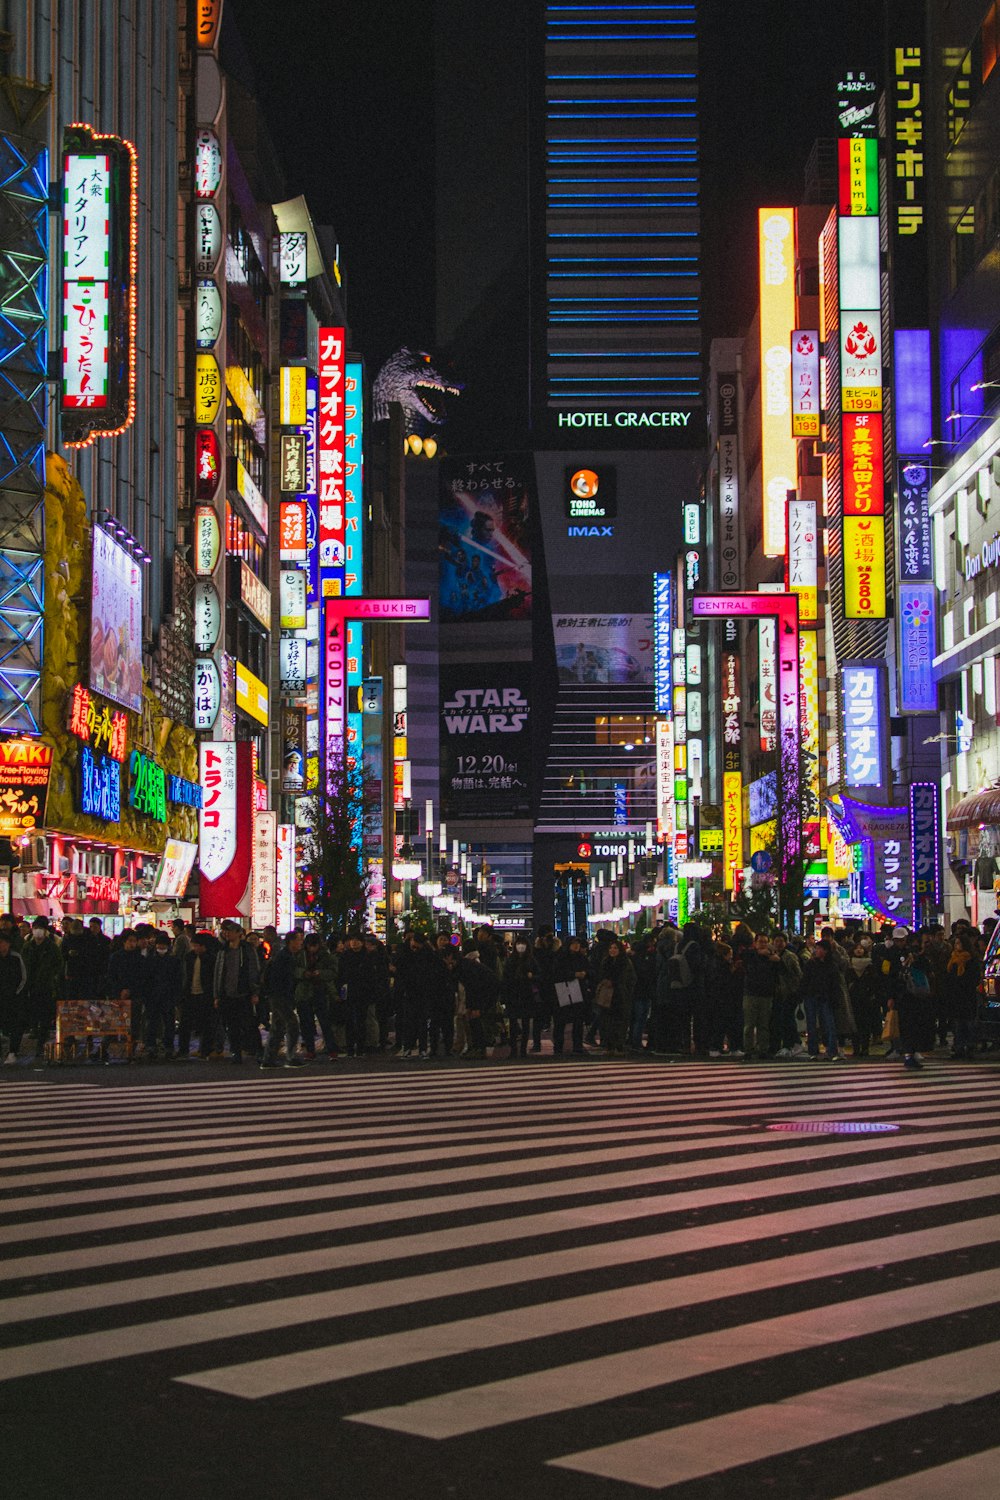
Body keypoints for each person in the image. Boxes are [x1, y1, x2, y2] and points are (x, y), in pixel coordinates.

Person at [212, 920, 261, 1063]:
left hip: (244, 992)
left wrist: (255, 992)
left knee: (249, 1024)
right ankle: (236, 1052)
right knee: (232, 1025)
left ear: (238, 933)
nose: (226, 933)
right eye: (224, 931)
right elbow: (218, 972)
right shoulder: (223, 949)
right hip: (227, 993)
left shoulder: (247, 949)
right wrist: (217, 995)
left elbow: (254, 970)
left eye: (229, 931)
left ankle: (257, 1050)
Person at [261, 930, 306, 1068]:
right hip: (281, 996)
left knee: (278, 1026)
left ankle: (268, 1059)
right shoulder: (285, 957)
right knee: (292, 1024)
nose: (301, 943)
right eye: (299, 940)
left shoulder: (284, 955)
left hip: (277, 996)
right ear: (291, 941)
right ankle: (290, 1057)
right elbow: (282, 979)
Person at [23, 916, 65, 1062]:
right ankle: (36, 1032)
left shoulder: (52, 946)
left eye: (40, 929)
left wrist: (53, 978)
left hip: (47, 986)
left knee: (45, 1015)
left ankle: (41, 1042)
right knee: (34, 1013)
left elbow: (59, 965)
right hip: (30, 985)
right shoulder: (28, 945)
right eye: (35, 929)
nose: (38, 932)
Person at [296, 932, 340, 1058]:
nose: (312, 949)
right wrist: (303, 973)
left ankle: (331, 1049)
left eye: (314, 946)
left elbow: (333, 972)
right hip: (304, 992)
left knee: (325, 1022)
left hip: (320, 990)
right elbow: (294, 969)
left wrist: (320, 973)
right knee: (306, 1023)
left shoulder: (325, 956)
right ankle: (310, 1050)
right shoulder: (300, 955)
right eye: (310, 946)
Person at [800, 939, 845, 1061]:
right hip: (812, 996)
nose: (816, 950)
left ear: (825, 951)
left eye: (819, 948)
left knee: (829, 1024)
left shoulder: (831, 965)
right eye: (816, 948)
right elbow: (805, 980)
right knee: (812, 1025)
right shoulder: (811, 964)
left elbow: (835, 984)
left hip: (825, 997)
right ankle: (814, 1051)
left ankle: (831, 1050)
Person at [177, 930, 219, 1060]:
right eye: (193, 945)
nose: (195, 948)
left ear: (204, 946)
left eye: (197, 945)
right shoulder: (189, 957)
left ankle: (205, 1050)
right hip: (190, 994)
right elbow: (184, 976)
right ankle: (183, 1050)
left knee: (206, 1024)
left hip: (205, 995)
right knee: (185, 1024)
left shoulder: (211, 958)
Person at [741, 932, 780, 1061]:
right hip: (751, 993)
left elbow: (779, 972)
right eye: (760, 941)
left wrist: (773, 958)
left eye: (765, 942)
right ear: (755, 943)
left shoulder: (772, 958)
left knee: (764, 1024)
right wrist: (761, 954)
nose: (763, 944)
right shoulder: (751, 954)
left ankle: (763, 1049)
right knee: (749, 1024)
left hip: (766, 994)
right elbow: (746, 959)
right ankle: (748, 1049)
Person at [144, 931, 183, 1059]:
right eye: (159, 945)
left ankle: (167, 1047)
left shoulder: (173, 961)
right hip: (154, 996)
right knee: (153, 1023)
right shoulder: (150, 960)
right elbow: (147, 979)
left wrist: (176, 996)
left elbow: (178, 980)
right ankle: (152, 1046)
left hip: (167, 996)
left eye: (163, 946)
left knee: (168, 1024)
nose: (161, 948)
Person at [943, 933, 981, 1060]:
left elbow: (974, 978)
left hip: (967, 995)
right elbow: (948, 977)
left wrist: (963, 983)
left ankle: (969, 1047)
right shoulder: (952, 958)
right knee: (958, 1024)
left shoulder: (971, 959)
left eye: (959, 943)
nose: (956, 945)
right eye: (955, 943)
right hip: (955, 996)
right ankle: (958, 1048)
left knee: (969, 1023)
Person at [597, 937, 636, 1057]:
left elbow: (629, 979)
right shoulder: (606, 961)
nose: (612, 950)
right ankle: (609, 1046)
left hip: (620, 995)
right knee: (607, 1021)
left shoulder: (625, 962)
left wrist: (615, 984)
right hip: (607, 995)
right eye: (611, 948)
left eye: (615, 948)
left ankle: (619, 1046)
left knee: (619, 1021)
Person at [502, 934, 539, 1059]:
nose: (520, 946)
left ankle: (523, 1049)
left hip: (526, 994)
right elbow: (505, 978)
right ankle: (513, 1049)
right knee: (513, 1024)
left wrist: (531, 977)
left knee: (525, 1023)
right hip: (513, 994)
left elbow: (539, 976)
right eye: (518, 944)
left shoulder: (531, 960)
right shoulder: (510, 960)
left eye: (523, 944)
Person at [552, 935, 589, 1056]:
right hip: (563, 989)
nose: (576, 946)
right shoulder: (561, 957)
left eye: (577, 944)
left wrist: (585, 974)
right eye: (573, 944)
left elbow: (590, 970)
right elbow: (557, 973)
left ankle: (577, 1046)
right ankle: (558, 1047)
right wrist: (574, 974)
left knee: (578, 1020)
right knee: (560, 1021)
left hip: (577, 989)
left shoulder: (582, 958)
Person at [770, 933, 803, 1057]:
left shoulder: (789, 956)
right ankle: (788, 1044)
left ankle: (791, 1044)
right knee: (781, 1019)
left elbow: (797, 974)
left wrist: (780, 963)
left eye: (781, 941)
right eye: (776, 941)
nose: (778, 943)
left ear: (786, 942)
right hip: (778, 992)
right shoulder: (773, 955)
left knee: (787, 1018)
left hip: (789, 992)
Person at [0, 927, 28, 1065]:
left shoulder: (15, 957)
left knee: (15, 1025)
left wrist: (16, 992)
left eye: (3, 942)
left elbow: (23, 977)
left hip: (14, 997)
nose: (1, 945)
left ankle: (12, 1052)